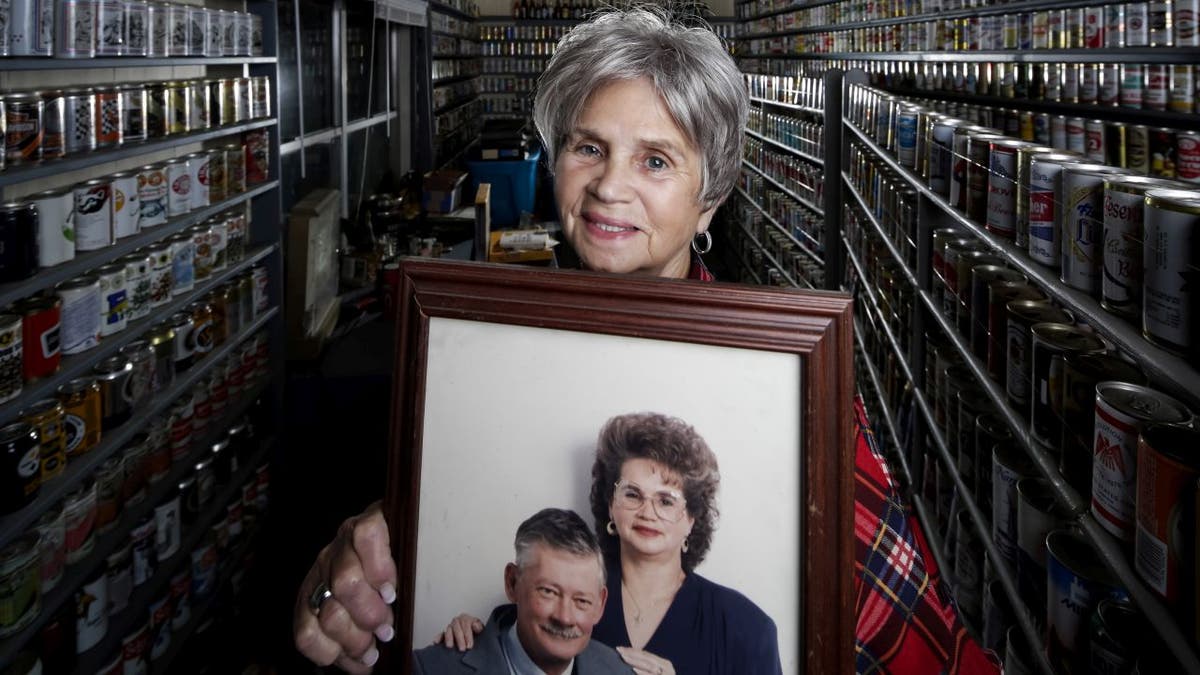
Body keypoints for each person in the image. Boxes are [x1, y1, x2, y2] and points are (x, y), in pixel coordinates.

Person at [292, 6, 1001, 675]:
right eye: (589, 147)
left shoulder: (785, 391)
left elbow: (923, 647)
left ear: (709, 202)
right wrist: (366, 580)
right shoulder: (484, 363)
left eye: (656, 161)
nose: (609, 186)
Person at [438, 413, 782, 675]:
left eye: (666, 500)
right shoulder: (567, 598)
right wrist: (470, 635)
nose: (647, 512)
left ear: (692, 517)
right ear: (610, 505)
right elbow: (500, 650)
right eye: (632, 494)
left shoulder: (746, 629)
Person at [411, 508, 632, 675]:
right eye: (549, 592)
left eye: (581, 601)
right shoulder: (431, 669)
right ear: (512, 583)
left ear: (600, 605)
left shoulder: (619, 672)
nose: (564, 617)